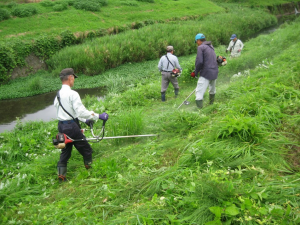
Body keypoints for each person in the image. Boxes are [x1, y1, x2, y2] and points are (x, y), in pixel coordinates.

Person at [54, 68, 109, 182]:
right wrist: (98, 116)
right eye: (73, 78)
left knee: (65, 150)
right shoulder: (72, 94)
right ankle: (90, 170)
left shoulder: (58, 95)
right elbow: (81, 111)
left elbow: (67, 113)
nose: (74, 80)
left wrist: (84, 121)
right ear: (70, 78)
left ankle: (61, 176)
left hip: (61, 126)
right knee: (86, 148)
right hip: (71, 127)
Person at [193, 33, 219, 109]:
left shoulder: (201, 47)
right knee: (212, 89)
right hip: (214, 71)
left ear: (198, 40)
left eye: (196, 42)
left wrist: (196, 71)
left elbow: (199, 61)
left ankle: (200, 111)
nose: (197, 44)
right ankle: (211, 105)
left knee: (199, 93)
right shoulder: (211, 46)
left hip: (206, 73)